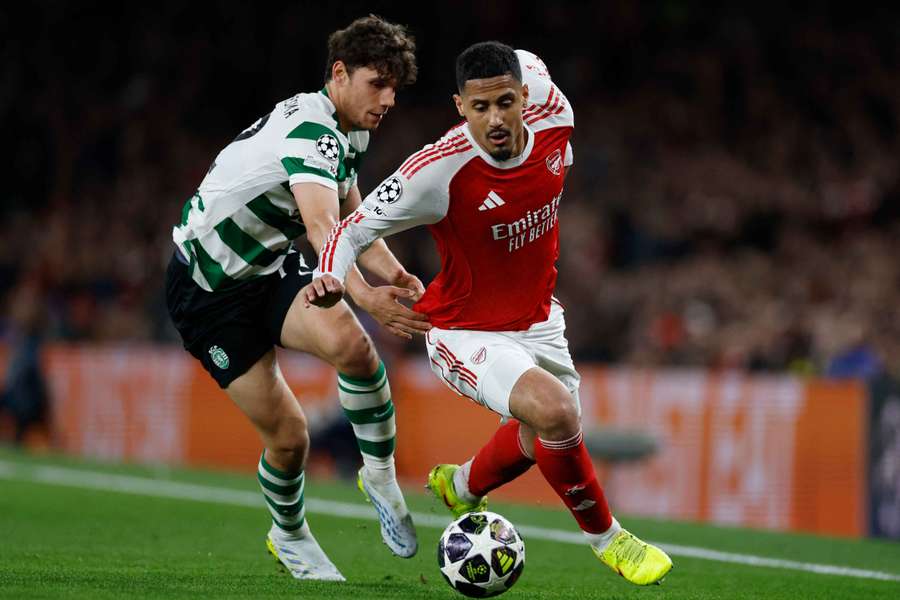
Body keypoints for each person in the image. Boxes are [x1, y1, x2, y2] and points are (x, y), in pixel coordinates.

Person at [305, 41, 673, 586]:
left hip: (539, 319)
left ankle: (462, 485)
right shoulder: (435, 171)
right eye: (479, 109)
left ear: (525, 95)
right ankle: (610, 539)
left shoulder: (556, 118)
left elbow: (529, 59)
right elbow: (350, 229)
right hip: (460, 328)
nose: (495, 120)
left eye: (505, 102)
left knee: (541, 434)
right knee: (556, 413)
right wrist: (340, 284)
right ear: (460, 107)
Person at [165, 15, 429, 581]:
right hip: (210, 293)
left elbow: (354, 221)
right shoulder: (312, 133)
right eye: (376, 83)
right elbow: (322, 227)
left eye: (394, 89)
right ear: (339, 73)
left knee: (356, 351)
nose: (386, 100)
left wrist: (397, 276)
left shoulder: (349, 130)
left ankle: (379, 476)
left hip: (268, 267)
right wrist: (365, 294)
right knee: (290, 438)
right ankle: (289, 535)